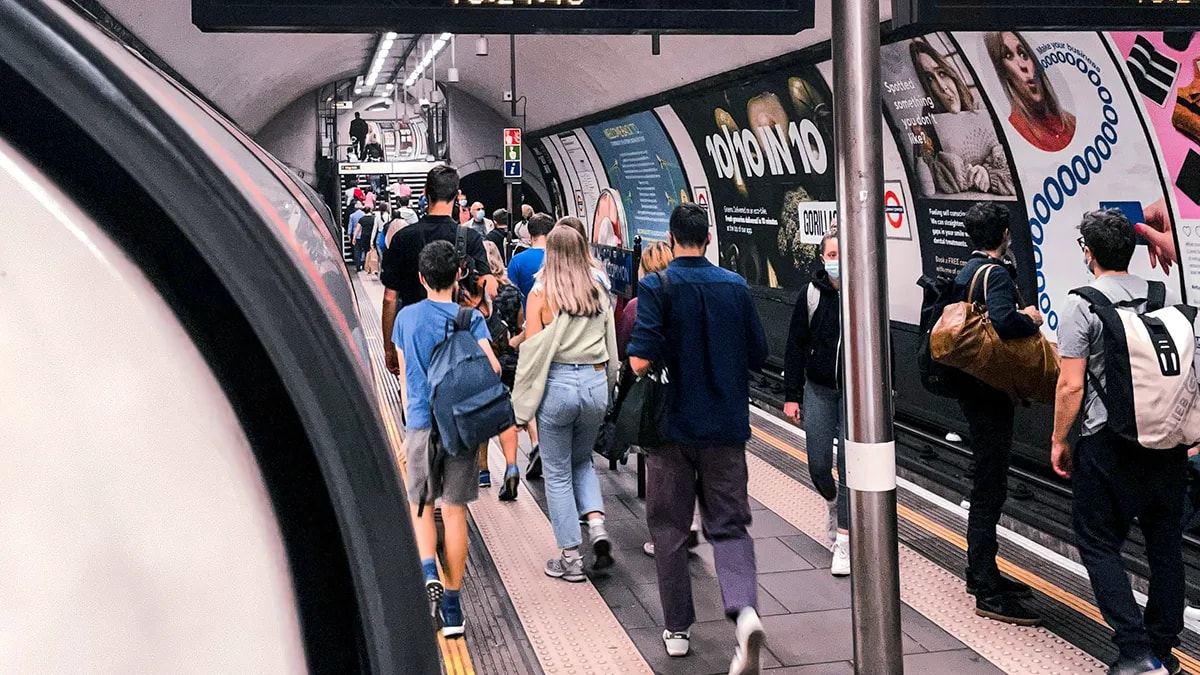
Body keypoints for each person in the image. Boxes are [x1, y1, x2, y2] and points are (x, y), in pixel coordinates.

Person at [627, 203, 769, 670]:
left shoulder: (656, 286)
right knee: (729, 525)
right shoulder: (735, 286)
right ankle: (744, 612)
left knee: (669, 531)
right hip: (725, 429)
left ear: (671, 240)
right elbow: (757, 354)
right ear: (707, 239)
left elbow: (640, 361)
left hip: (671, 431)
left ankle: (678, 631)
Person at [1052, 210, 1184, 675]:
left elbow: (1070, 386)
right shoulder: (1162, 295)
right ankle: (1164, 651)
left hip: (1108, 445)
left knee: (1098, 542)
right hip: (1166, 442)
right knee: (1165, 546)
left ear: (1088, 252)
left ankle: (1135, 652)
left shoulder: (1081, 304)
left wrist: (1058, 440)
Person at [392, 240, 498, 638]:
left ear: (421, 278)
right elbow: (491, 367)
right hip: (458, 426)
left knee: (422, 506)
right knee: (454, 513)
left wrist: (409, 429)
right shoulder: (470, 319)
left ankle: (426, 573)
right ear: (458, 276)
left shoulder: (406, 318)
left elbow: (405, 379)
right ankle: (452, 608)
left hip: (421, 423)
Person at [951, 202, 1043, 626]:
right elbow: (1005, 323)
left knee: (985, 481)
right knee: (990, 488)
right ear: (1003, 234)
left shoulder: (965, 272)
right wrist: (1031, 319)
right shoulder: (998, 274)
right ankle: (987, 588)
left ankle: (979, 572)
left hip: (972, 387)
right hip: (992, 393)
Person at [511, 227, 619, 582]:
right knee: (583, 460)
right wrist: (610, 386)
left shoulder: (540, 293)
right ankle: (598, 526)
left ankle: (571, 558)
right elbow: (612, 348)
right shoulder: (599, 290)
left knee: (556, 472)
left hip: (557, 384)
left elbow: (532, 348)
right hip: (594, 382)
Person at [381, 165, 493, 385]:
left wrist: (389, 348)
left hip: (414, 336)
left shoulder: (403, 238)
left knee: (416, 401)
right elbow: (489, 288)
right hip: (458, 337)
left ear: (425, 192)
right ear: (457, 195)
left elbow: (389, 298)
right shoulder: (469, 238)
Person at [782, 227, 850, 577]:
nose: (836, 261)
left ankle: (844, 540)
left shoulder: (864, 293)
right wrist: (792, 396)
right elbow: (794, 346)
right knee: (819, 465)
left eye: (842, 254)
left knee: (853, 469)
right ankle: (833, 502)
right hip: (820, 389)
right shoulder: (810, 295)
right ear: (823, 258)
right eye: (832, 255)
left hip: (856, 397)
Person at [457, 267, 525, 500]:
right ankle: (512, 465)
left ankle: (483, 471)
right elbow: (517, 326)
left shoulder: (461, 307)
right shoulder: (499, 297)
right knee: (505, 416)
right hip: (507, 361)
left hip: (477, 367)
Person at [484, 240, 542, 480]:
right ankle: (536, 443)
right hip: (512, 357)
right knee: (524, 404)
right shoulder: (512, 291)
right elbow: (522, 325)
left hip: (486, 359)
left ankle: (484, 470)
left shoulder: (473, 292)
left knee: (487, 409)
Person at [985, 31, 1077, 153]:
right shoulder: (1015, 131)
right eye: (1008, 56)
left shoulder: (1071, 122)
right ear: (1003, 72)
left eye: (1023, 54)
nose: (1023, 65)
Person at [910, 39, 977, 114]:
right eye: (930, 78)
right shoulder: (927, 118)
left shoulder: (978, 106)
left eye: (942, 73)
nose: (943, 88)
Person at [507, 213, 554, 302]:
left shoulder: (517, 261)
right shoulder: (559, 259)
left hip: (526, 314)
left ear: (529, 233)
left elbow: (511, 295)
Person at [354, 205, 375, 272]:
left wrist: (354, 237)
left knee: (365, 251)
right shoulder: (374, 218)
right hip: (372, 235)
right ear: (370, 211)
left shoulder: (362, 219)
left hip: (363, 236)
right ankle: (371, 265)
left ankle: (364, 265)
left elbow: (357, 229)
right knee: (372, 250)